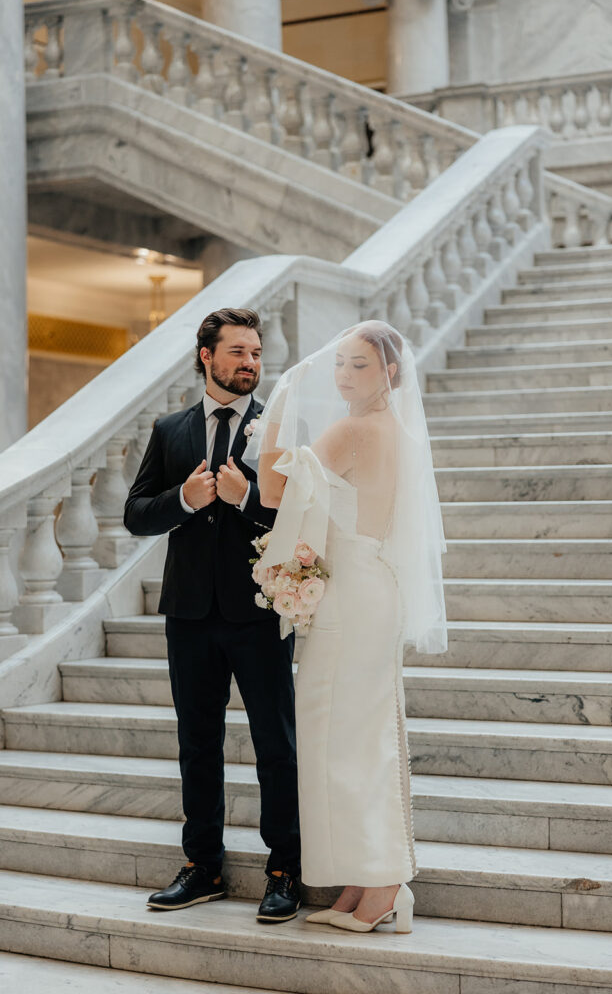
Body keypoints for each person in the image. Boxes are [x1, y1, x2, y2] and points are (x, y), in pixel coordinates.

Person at [246, 320, 447, 934]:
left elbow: (274, 487)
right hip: (366, 585)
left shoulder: (356, 429)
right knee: (348, 736)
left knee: (352, 739)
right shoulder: (395, 429)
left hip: (358, 593)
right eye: (337, 364)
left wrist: (278, 403)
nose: (341, 376)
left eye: (357, 365)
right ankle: (365, 876)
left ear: (390, 372)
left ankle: (384, 883)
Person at [124, 307, 302, 924]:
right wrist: (184, 499)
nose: (251, 362)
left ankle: (286, 870)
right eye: (237, 352)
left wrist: (245, 498)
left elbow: (301, 519)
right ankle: (203, 867)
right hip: (190, 614)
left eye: (255, 352)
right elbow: (135, 512)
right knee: (197, 745)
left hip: (257, 612)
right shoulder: (170, 430)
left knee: (275, 743)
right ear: (207, 356)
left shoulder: (278, 426)